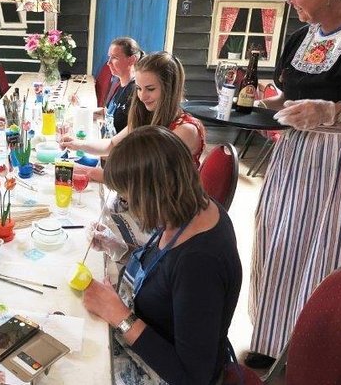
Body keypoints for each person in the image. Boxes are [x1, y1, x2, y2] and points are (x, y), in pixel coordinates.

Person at [246, 0, 341, 368]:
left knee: (323, 255)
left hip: (340, 168)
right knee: (277, 242)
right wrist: (268, 101)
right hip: (293, 160)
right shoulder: (298, 39)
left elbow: (323, 110)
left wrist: (334, 113)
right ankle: (271, 342)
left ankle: (309, 357)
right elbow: (290, 97)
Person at [83, 126, 242, 385]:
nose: (128, 205)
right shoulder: (188, 209)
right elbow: (163, 273)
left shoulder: (199, 262)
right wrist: (117, 248)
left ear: (152, 195)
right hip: (153, 335)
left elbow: (193, 377)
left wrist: (120, 316)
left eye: (129, 198)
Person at [61, 51, 206, 184]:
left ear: (170, 89)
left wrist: (92, 173)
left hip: (170, 207)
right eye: (138, 88)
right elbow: (112, 145)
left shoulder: (185, 130)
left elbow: (147, 178)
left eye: (150, 89)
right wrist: (77, 144)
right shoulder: (146, 114)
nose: (142, 96)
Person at [95, 37, 144, 138]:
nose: (108, 63)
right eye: (109, 57)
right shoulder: (121, 85)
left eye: (114, 58)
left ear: (132, 60)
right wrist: (81, 112)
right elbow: (110, 112)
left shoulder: (136, 91)